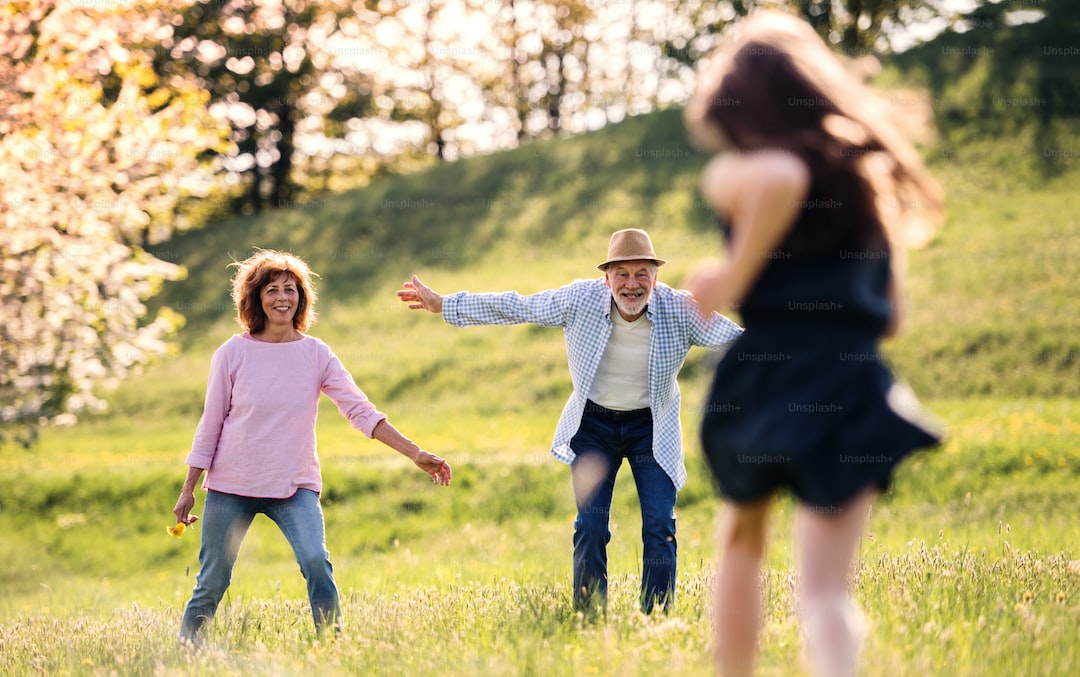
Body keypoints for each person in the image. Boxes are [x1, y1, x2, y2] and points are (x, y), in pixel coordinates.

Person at [682, 10, 944, 677]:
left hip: (769, 376)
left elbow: (778, 176)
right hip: (851, 378)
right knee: (827, 587)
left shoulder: (741, 172)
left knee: (742, 539)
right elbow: (892, 317)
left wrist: (734, 274)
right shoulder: (864, 183)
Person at [397, 228, 742, 614]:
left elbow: (740, 341)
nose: (632, 285)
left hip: (652, 429)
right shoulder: (579, 299)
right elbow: (517, 306)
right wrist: (446, 304)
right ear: (606, 277)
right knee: (590, 526)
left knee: (660, 526)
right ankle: (589, 614)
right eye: (622, 274)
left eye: (641, 274)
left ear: (655, 278)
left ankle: (657, 617)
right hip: (594, 427)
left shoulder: (680, 310)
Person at [172, 249, 452, 646]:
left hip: (293, 484)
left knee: (316, 562)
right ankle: (186, 652)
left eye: (291, 289)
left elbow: (361, 411)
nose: (282, 297)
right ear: (256, 299)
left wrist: (415, 452)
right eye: (272, 290)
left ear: (302, 298)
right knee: (213, 579)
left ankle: (331, 648)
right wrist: (188, 489)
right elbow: (210, 424)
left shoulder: (316, 354)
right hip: (231, 486)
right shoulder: (232, 354)